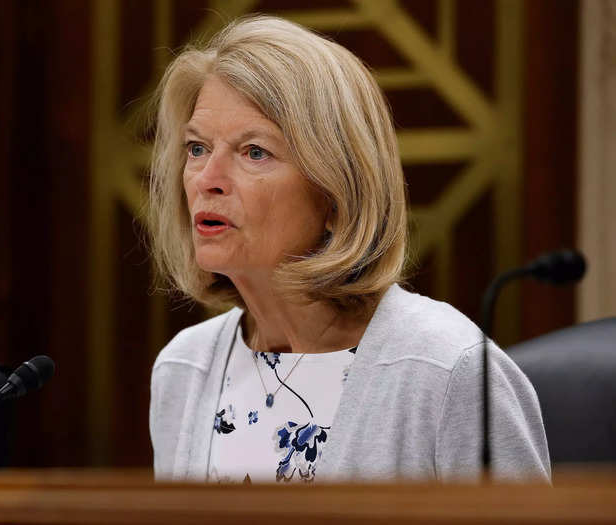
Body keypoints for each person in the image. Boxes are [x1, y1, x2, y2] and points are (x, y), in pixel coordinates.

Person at [146, 15, 550, 483]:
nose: (206, 180)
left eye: (254, 152)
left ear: (337, 193)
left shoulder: (446, 372)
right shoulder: (184, 368)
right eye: (197, 148)